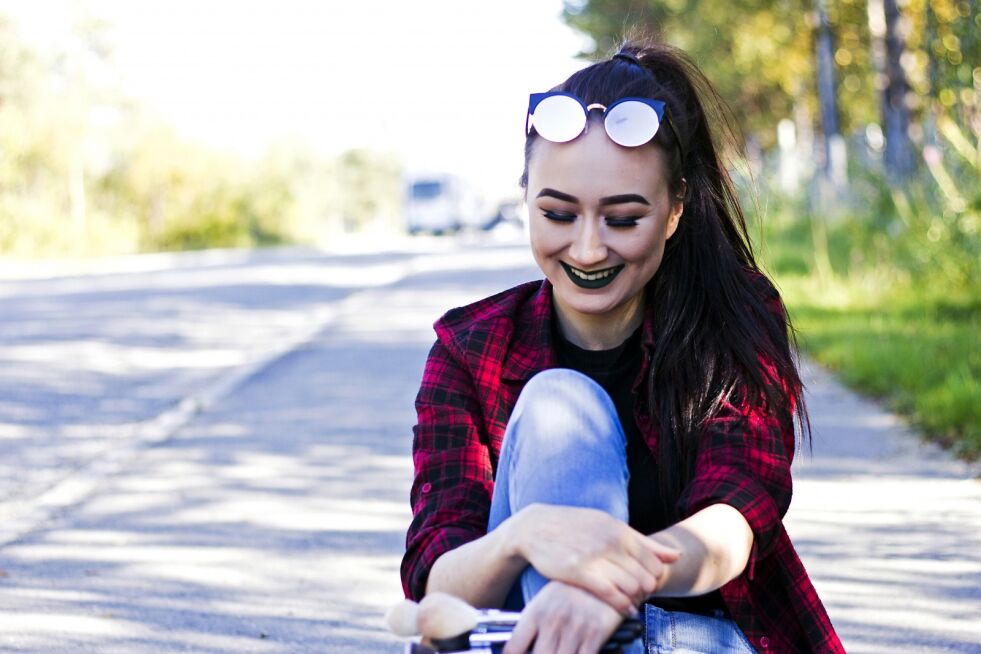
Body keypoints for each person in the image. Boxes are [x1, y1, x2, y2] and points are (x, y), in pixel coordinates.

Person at [400, 36, 844, 654]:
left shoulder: (730, 317)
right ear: (526, 196)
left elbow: (736, 519)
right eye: (558, 214)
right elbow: (434, 581)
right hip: (530, 635)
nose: (587, 250)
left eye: (623, 218)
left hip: (686, 639)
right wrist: (527, 536)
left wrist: (599, 582)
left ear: (674, 210)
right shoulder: (469, 348)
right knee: (558, 403)